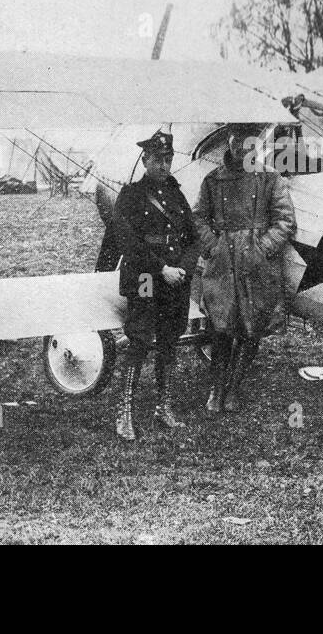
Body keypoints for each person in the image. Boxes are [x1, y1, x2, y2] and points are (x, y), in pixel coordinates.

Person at [193, 123, 296, 413]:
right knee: (220, 325)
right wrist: (213, 247)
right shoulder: (213, 181)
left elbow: (285, 221)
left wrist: (262, 249)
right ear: (230, 141)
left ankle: (234, 387)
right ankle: (216, 389)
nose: (242, 147)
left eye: (249, 141)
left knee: (253, 326)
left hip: (256, 263)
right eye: (237, 140)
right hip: (224, 262)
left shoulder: (270, 180)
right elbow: (198, 218)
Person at [108, 131, 199, 440]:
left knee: (170, 341)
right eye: (158, 160)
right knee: (140, 340)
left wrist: (183, 269)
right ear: (145, 160)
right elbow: (127, 242)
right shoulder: (131, 195)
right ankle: (126, 413)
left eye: (169, 159)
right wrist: (162, 268)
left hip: (176, 279)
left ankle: (163, 407)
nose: (164, 165)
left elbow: (193, 239)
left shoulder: (177, 194)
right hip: (146, 277)